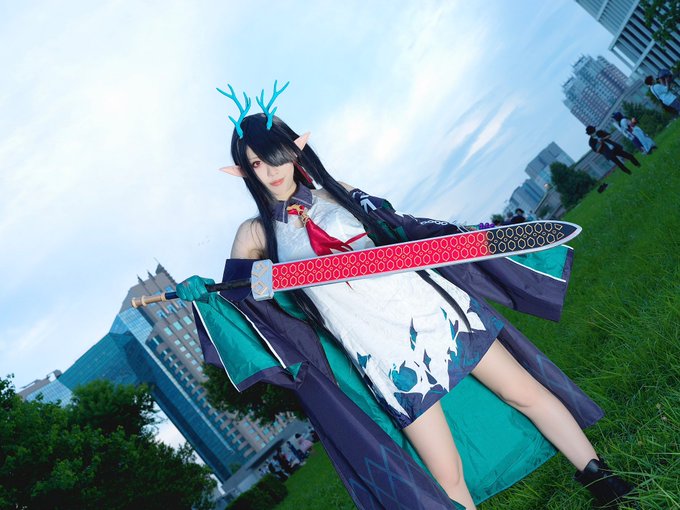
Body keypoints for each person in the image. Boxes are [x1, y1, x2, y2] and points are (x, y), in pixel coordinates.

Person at [177, 84, 635, 509]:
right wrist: (204, 296)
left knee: (525, 394)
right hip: (382, 353)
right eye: (256, 164)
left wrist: (469, 238)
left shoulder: (340, 194)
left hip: (434, 312)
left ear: (295, 149)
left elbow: (407, 231)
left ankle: (605, 483)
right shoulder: (256, 235)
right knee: (446, 472)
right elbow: (239, 303)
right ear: (243, 172)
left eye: (274, 156)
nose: (270, 171)